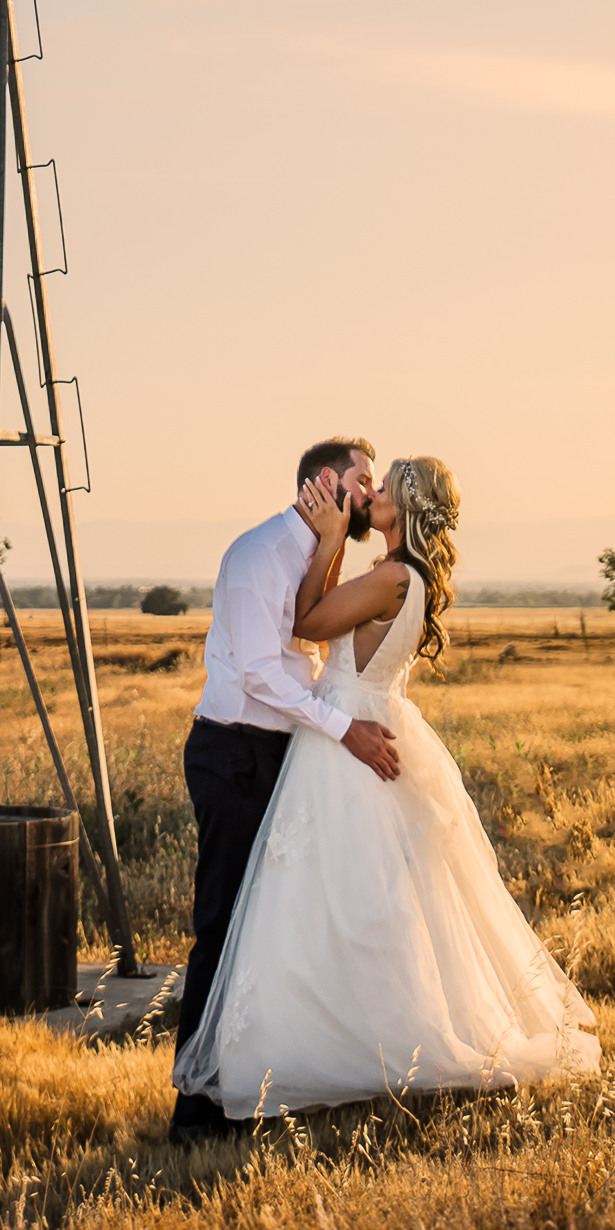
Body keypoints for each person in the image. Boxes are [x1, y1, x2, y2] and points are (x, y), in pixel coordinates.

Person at [173, 455, 600, 1120]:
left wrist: (330, 542)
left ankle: (325, 1050)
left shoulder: (392, 576)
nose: (371, 492)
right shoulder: (406, 574)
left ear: (403, 504)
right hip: (355, 724)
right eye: (367, 482)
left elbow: (307, 623)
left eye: (384, 483)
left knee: (331, 903)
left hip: (347, 737)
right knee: (354, 901)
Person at [171, 439, 404, 1143]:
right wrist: (345, 729)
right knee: (222, 927)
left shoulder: (312, 557)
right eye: (364, 480)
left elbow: (309, 640)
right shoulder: (259, 554)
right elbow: (259, 675)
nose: (371, 493)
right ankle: (195, 1110)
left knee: (270, 926)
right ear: (328, 482)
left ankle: (252, 1086)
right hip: (235, 753)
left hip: (278, 753)